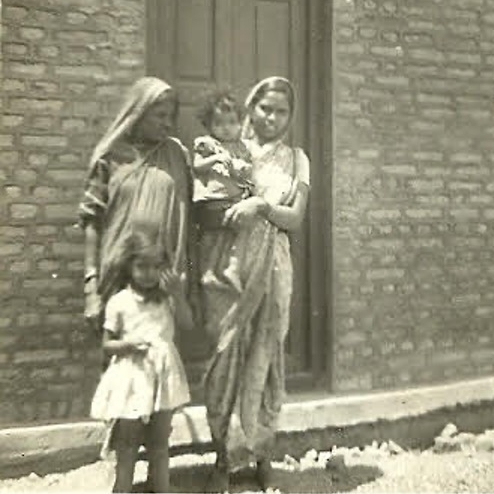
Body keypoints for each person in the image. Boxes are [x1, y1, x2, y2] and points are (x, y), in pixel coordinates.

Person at [200, 76, 310, 492]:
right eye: (265, 107)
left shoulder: (297, 159)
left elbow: (296, 217)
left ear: (290, 116)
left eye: (281, 111)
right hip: (228, 265)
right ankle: (223, 459)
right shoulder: (226, 150)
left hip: (273, 266)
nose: (272, 117)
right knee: (225, 357)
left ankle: (262, 452)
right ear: (251, 107)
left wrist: (261, 206)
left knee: (265, 358)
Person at [79, 76, 193, 350]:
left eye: (171, 116)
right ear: (139, 112)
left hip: (161, 275)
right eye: (160, 115)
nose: (168, 123)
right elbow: (91, 220)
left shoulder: (176, 154)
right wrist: (90, 285)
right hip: (118, 271)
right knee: (119, 362)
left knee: (158, 355)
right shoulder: (110, 156)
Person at [91, 226, 192, 493]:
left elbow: (188, 324)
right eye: (141, 266)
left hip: (162, 378)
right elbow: (106, 345)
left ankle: (161, 488)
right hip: (131, 379)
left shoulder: (167, 300)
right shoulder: (120, 302)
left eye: (156, 267)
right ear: (129, 267)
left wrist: (179, 295)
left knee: (160, 444)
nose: (149, 274)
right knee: (127, 446)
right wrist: (127, 345)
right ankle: (122, 489)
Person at [192, 88, 254, 292]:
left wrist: (243, 170)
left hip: (233, 202)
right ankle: (209, 271)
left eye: (231, 122)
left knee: (238, 234)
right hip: (211, 201)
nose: (226, 128)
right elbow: (197, 166)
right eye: (219, 123)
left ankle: (232, 269)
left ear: (240, 123)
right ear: (209, 124)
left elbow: (247, 173)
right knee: (210, 237)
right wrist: (215, 158)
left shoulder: (241, 148)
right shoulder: (208, 144)